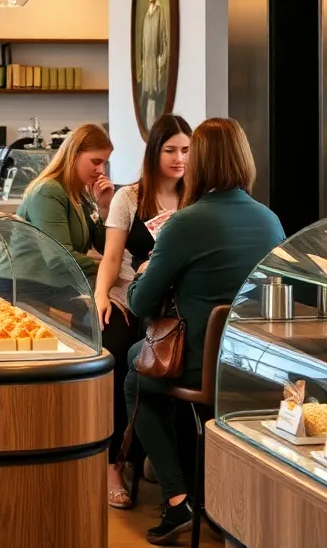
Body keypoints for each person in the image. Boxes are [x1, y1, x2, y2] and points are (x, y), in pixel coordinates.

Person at [124, 117, 285, 544]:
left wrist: (143, 271)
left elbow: (141, 303)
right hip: (257, 365)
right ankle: (211, 495)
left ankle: (178, 499)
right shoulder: (270, 221)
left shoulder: (185, 222)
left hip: (200, 365)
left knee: (136, 375)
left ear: (200, 163)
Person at [96, 114, 192, 509]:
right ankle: (114, 463)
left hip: (178, 305)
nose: (179, 159)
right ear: (154, 152)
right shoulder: (129, 197)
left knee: (177, 363)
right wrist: (101, 294)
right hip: (132, 295)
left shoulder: (197, 196)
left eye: (186, 150)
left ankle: (158, 454)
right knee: (118, 355)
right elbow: (111, 257)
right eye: (170, 150)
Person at [0, 124, 115, 306]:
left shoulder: (80, 192)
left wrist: (104, 209)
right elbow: (59, 259)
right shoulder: (49, 190)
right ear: (74, 154)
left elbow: (104, 247)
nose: (101, 171)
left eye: (104, 163)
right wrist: (108, 268)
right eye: (95, 162)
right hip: (19, 290)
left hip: (48, 288)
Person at [140, 0, 170, 125]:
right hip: (146, 87)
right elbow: (144, 52)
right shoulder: (146, 17)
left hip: (156, 88)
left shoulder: (159, 13)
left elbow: (164, 47)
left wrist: (159, 71)